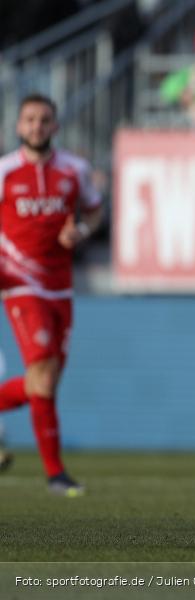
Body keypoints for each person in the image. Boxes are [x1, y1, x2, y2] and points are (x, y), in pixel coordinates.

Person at [0, 94, 103, 496]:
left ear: (55, 126)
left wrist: (82, 230)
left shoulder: (74, 169)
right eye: (30, 120)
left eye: (44, 120)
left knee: (44, 382)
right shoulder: (6, 170)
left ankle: (56, 475)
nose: (37, 127)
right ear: (18, 126)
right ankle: (56, 475)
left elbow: (92, 211)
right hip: (18, 280)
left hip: (60, 285)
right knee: (41, 369)